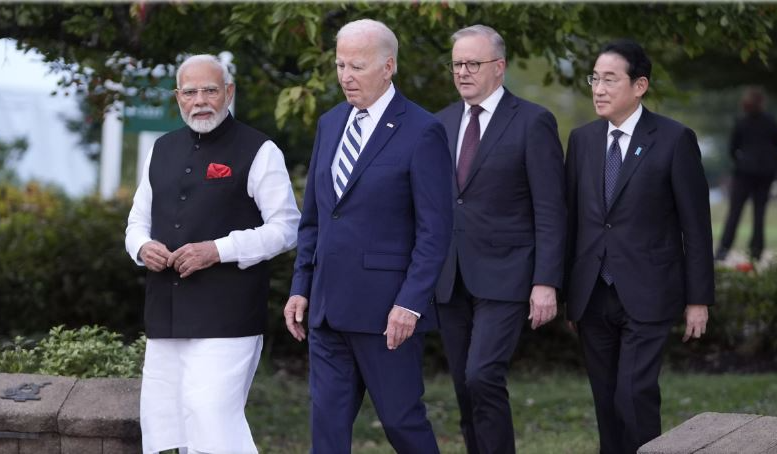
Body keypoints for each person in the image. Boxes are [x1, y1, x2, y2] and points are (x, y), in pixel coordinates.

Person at [282, 19, 452, 454]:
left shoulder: (422, 129)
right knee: (327, 429)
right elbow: (315, 218)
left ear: (388, 66)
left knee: (402, 423)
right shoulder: (330, 123)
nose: (345, 76)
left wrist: (410, 303)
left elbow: (435, 231)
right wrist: (301, 286)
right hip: (326, 310)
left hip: (387, 313)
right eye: (340, 65)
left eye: (356, 65)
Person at [125, 54, 300, 454]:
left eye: (210, 90)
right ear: (177, 97)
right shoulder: (161, 148)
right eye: (190, 92)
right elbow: (136, 221)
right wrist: (142, 247)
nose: (200, 100)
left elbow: (287, 228)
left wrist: (218, 250)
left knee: (211, 417)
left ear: (228, 93)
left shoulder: (260, 149)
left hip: (229, 315)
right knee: (171, 422)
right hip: (165, 312)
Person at [564, 39, 714, 454]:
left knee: (634, 395)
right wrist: (565, 291)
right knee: (606, 401)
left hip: (649, 292)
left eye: (610, 79)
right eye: (594, 78)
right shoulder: (581, 141)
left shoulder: (673, 139)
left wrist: (698, 299)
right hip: (592, 294)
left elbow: (696, 227)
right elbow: (572, 221)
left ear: (640, 85)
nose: (598, 88)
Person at [433, 24, 566, 454]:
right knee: (463, 388)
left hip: (508, 276)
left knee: (482, 376)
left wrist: (546, 282)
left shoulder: (532, 122)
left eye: (473, 63)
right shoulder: (440, 123)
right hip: (450, 277)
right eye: (458, 64)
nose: (464, 72)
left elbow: (550, 209)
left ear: (500, 67)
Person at [716, 87, 777, 261]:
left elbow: (733, 148)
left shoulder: (742, 122)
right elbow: (776, 145)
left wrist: (741, 161)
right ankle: (756, 250)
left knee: (735, 212)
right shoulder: (771, 122)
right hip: (766, 172)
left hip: (744, 172)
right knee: (759, 213)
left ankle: (724, 249)